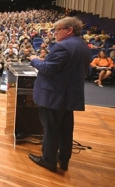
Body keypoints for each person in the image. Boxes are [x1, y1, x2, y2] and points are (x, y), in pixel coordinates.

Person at [28, 17, 91, 172]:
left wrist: (35, 60)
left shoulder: (63, 46)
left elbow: (48, 69)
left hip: (54, 95)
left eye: (58, 30)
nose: (55, 33)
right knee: (65, 129)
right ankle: (63, 160)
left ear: (69, 30)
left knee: (51, 128)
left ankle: (48, 160)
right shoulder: (83, 46)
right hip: (69, 95)